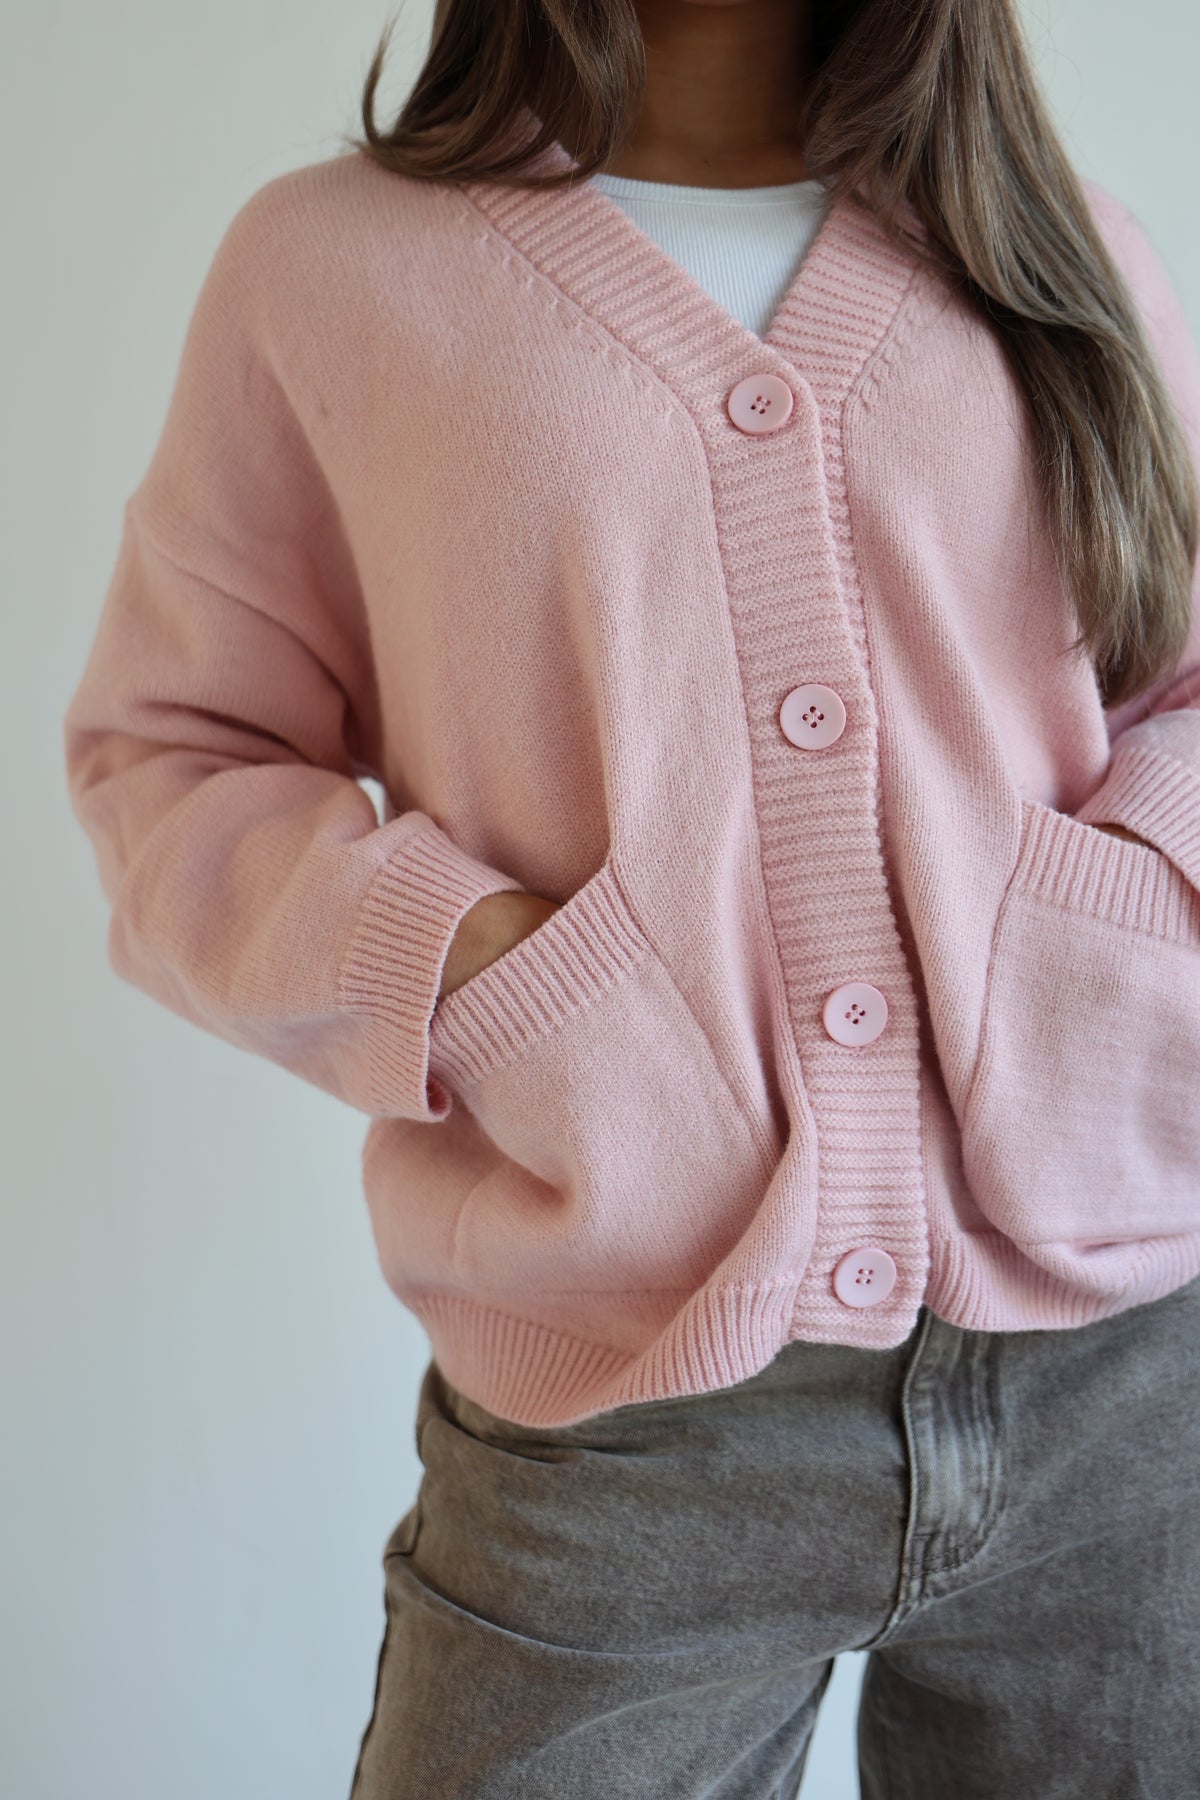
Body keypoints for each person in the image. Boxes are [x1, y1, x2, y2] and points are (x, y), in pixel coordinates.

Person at [63, 0, 1200, 1792]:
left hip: (1130, 1372)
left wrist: (1107, 935)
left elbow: (1180, 689)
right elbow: (173, 758)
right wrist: (473, 963)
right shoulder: (333, 271)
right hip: (631, 1388)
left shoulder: (1052, 243)